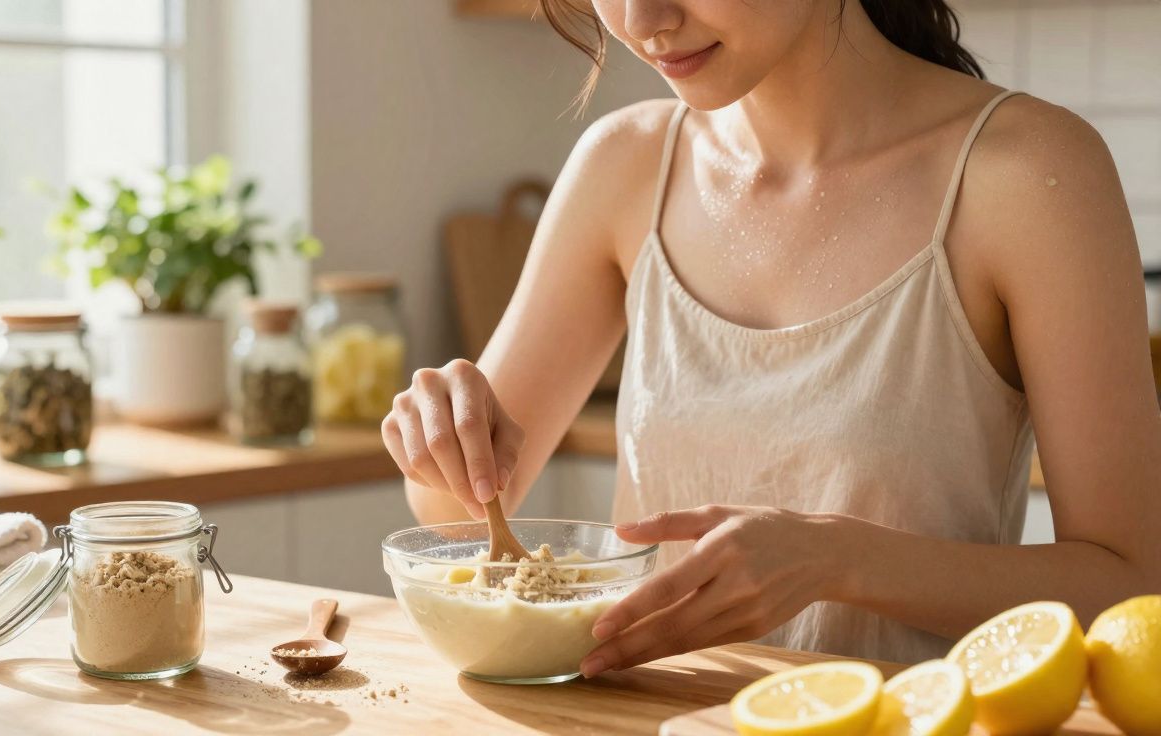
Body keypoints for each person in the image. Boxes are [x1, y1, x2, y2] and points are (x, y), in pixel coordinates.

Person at [380, 0, 1161, 673]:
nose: (643, 21)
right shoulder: (623, 164)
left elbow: (1134, 590)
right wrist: (442, 432)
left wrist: (838, 560)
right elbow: (455, 510)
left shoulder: (1027, 173)